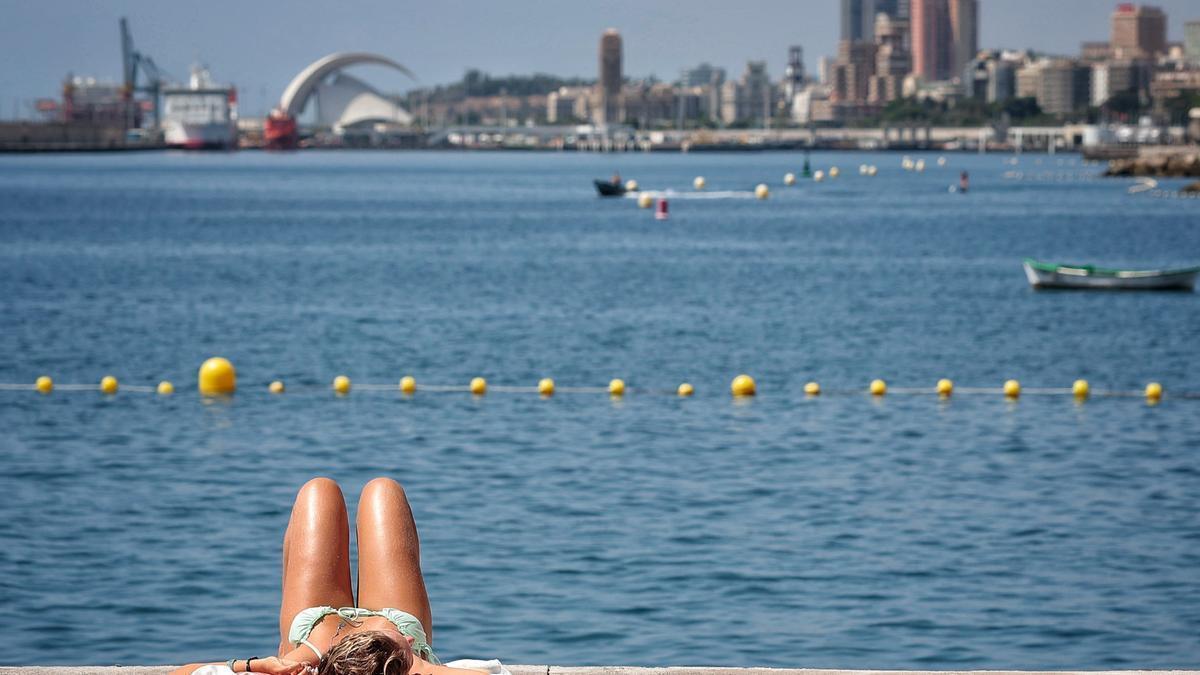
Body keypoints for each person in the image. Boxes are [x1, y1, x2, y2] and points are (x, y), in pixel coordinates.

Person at [171, 478, 495, 675]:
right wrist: (417, 665)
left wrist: (256, 665)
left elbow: (181, 673)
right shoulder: (412, 662)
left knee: (319, 492)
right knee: (383, 492)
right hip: (390, 650)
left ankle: (287, 647)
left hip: (318, 647)